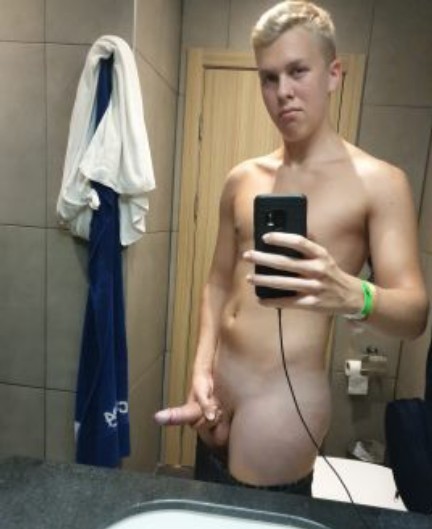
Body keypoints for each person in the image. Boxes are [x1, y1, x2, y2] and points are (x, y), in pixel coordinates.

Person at [155, 0, 429, 495]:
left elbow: (414, 314)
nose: (283, 91)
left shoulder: (380, 183)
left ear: (333, 74)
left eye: (298, 71)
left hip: (282, 402)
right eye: (269, 77)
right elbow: (216, 285)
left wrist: (354, 294)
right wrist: (199, 369)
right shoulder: (243, 178)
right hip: (216, 391)